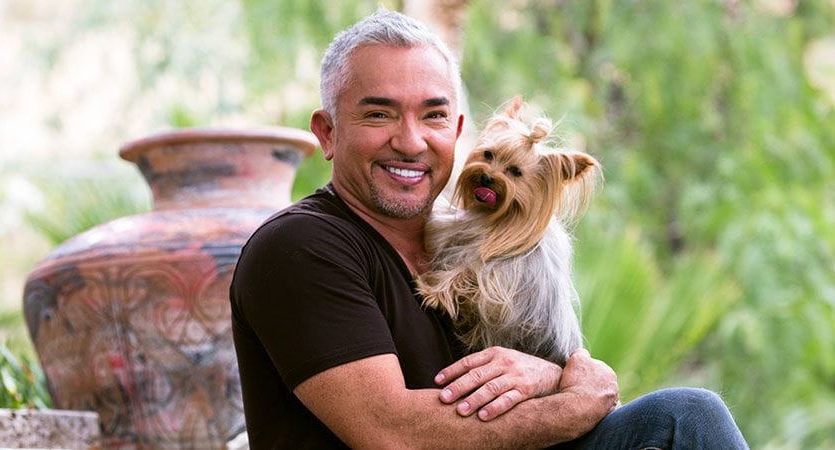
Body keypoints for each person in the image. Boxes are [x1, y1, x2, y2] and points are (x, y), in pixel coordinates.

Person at [229, 9, 749, 449]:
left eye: (433, 116)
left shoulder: (471, 242)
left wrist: (551, 374)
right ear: (327, 132)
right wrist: (575, 403)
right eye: (379, 114)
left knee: (689, 419)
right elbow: (390, 432)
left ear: (456, 133)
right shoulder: (299, 248)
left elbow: (539, 354)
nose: (410, 142)